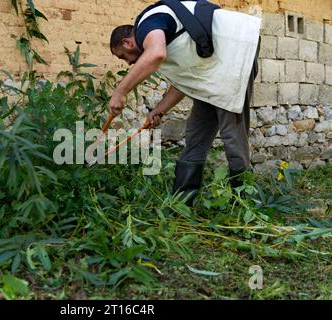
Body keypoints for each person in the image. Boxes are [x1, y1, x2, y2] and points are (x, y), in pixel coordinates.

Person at [108, 0, 261, 206]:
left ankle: (246, 204)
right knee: (196, 133)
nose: (128, 63)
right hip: (212, 71)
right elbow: (184, 83)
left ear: (127, 42)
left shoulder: (147, 25)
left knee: (231, 132)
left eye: (123, 57)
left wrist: (120, 91)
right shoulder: (162, 38)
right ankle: (182, 203)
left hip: (235, 53)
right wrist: (159, 110)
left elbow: (156, 54)